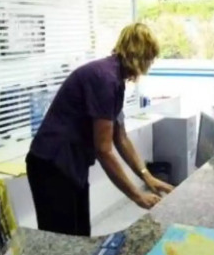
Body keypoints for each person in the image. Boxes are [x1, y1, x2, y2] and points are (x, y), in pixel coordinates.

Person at [26, 23, 174, 236]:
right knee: (62, 237)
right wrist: (136, 196)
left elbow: (120, 137)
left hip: (72, 162)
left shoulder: (115, 79)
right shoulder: (105, 79)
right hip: (52, 163)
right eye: (150, 58)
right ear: (141, 56)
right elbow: (104, 150)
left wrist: (146, 176)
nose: (150, 64)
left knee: (80, 233)